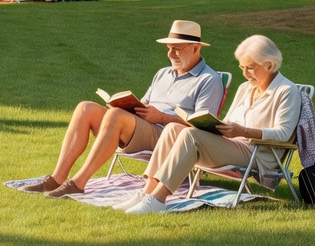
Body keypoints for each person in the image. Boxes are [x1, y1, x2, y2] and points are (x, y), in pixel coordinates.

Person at [25, 20, 225, 197]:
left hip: (168, 136)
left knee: (115, 116)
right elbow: (145, 103)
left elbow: (202, 128)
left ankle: (78, 183)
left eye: (177, 49)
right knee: (85, 108)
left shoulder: (209, 80)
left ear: (196, 48)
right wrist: (126, 105)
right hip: (143, 126)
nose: (171, 54)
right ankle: (57, 178)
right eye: (169, 48)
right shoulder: (163, 73)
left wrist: (162, 117)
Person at [119, 35, 301, 214]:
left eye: (250, 68)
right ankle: (147, 191)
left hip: (256, 153)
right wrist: (212, 125)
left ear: (269, 65)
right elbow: (229, 120)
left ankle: (158, 200)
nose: (244, 74)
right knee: (174, 128)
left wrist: (243, 130)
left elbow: (283, 133)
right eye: (242, 67)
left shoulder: (286, 91)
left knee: (190, 135)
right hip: (234, 144)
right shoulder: (245, 88)